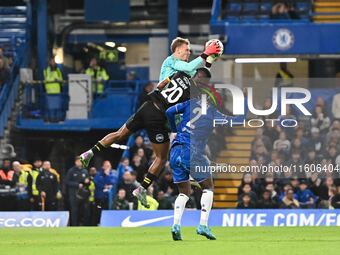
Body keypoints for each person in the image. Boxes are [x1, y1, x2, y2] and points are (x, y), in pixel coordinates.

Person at [79, 49, 220, 209]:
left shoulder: (179, 74)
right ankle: (142, 189)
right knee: (161, 158)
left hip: (147, 106)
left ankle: (89, 152)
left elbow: (159, 85)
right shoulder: (194, 94)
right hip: (158, 118)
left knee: (120, 134)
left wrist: (207, 59)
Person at [165, 80, 247, 241]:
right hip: (193, 151)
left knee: (184, 191)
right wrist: (243, 100)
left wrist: (174, 129)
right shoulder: (213, 112)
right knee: (208, 187)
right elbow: (238, 120)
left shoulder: (190, 103)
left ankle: (176, 225)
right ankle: (202, 225)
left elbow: (168, 111)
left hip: (175, 150)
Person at [65, 156, 89, 226]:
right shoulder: (71, 171)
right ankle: (74, 225)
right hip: (73, 194)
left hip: (83, 195)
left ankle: (84, 225)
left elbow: (88, 183)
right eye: (78, 161)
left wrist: (88, 181)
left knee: (84, 210)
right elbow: (67, 182)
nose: (80, 162)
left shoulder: (85, 171)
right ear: (75, 162)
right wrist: (77, 185)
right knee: (74, 210)